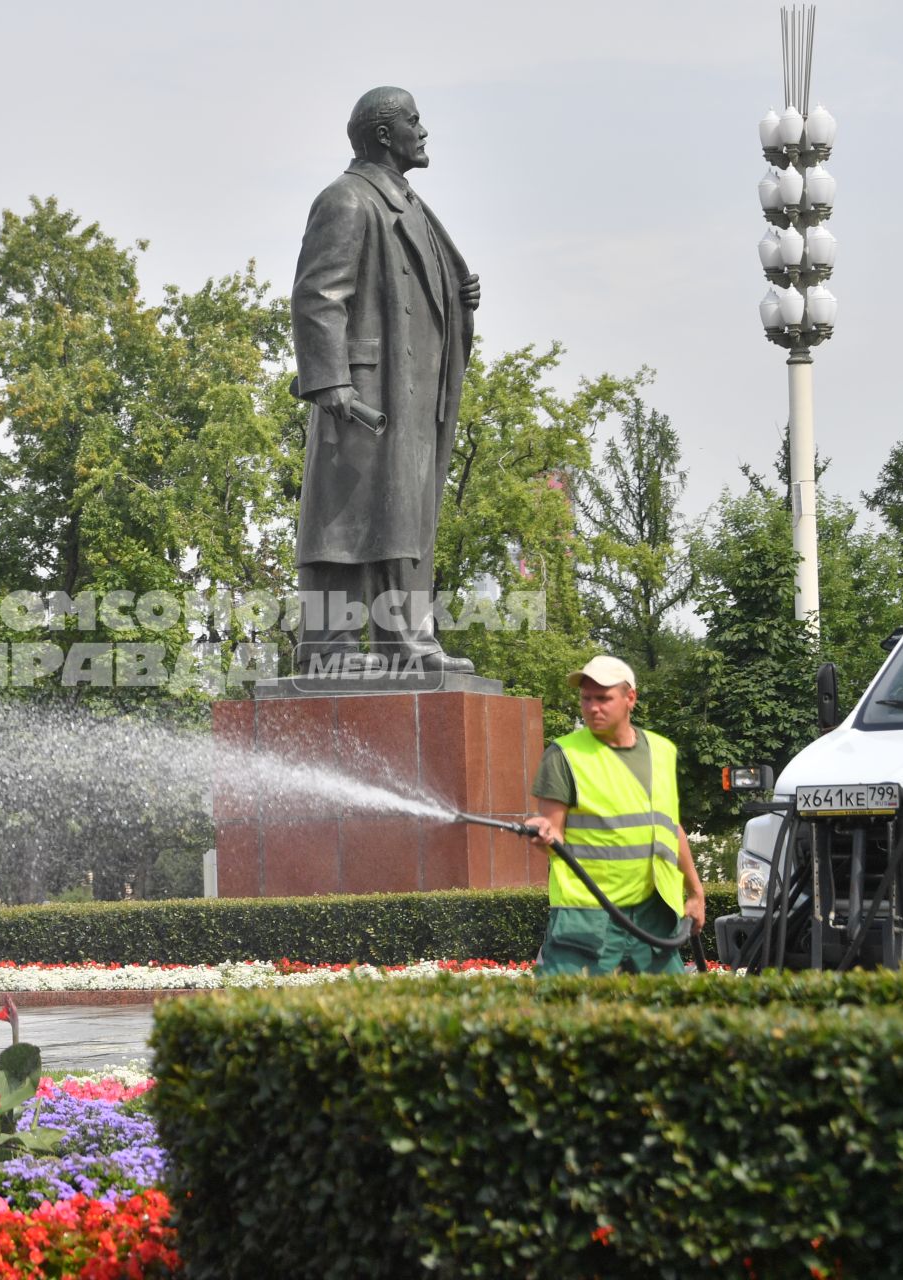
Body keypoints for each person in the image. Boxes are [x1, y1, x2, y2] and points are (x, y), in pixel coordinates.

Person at [289, 86, 481, 675]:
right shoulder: (348, 199)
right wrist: (332, 383)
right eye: (413, 122)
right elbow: (317, 295)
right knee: (347, 522)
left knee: (404, 516)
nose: (423, 132)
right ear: (382, 134)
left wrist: (460, 294)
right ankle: (331, 647)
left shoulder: (409, 204)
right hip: (369, 392)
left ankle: (405, 639)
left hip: (413, 388)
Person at [523, 656, 707, 975]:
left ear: (629, 698)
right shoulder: (563, 755)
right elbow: (553, 834)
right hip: (586, 915)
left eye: (603, 698)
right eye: (586, 699)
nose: (593, 707)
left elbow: (670, 827)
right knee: (558, 1017)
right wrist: (542, 835)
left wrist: (695, 892)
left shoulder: (662, 752)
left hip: (654, 914)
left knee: (673, 1020)